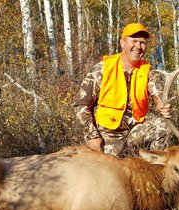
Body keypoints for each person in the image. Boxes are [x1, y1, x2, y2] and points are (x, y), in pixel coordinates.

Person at [74, 23, 173, 157]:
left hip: (134, 133)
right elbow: (81, 105)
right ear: (122, 43)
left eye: (142, 43)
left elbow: (159, 96)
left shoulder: (149, 72)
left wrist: (163, 106)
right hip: (107, 135)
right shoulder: (102, 69)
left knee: (163, 126)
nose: (138, 46)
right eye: (134, 41)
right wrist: (92, 136)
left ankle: (154, 171)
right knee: (107, 171)